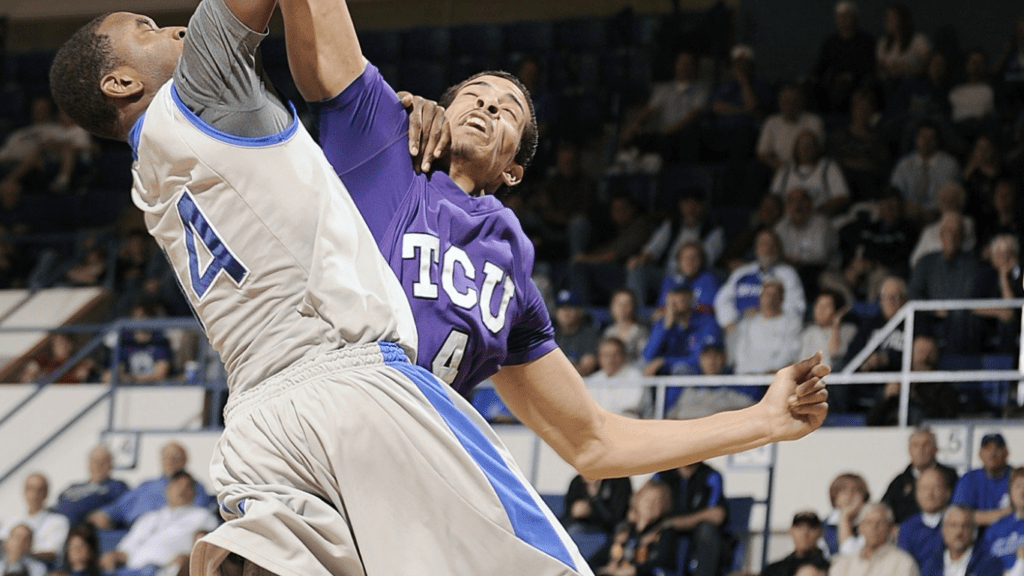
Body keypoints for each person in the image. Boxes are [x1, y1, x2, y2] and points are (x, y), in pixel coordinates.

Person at [52, 1, 830, 575]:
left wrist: (759, 420)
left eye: (510, 108)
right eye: (475, 93)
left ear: (517, 168)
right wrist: (387, 103)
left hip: (327, 440)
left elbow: (592, 440)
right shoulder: (376, 132)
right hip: (362, 394)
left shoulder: (515, 274)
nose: (489, 102)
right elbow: (318, 34)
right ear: (435, 104)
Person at [98, 471, 219, 575]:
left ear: (193, 493)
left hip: (165, 570)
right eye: (177, 485)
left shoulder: (203, 516)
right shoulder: (149, 517)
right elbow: (125, 551)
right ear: (167, 489)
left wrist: (188, 561)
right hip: (132, 571)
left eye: (187, 486)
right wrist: (114, 556)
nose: (182, 490)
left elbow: (205, 552)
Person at [88, 442, 208, 529]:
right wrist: (104, 514)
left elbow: (196, 512)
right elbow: (120, 506)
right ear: (161, 460)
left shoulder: (193, 486)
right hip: (132, 530)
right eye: (166, 456)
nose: (170, 460)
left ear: (185, 460)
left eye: (175, 456)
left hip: (166, 531)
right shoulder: (146, 485)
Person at [714, 229, 806, 335]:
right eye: (763, 244)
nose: (767, 248)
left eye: (772, 244)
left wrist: (763, 315)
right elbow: (722, 299)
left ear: (779, 249)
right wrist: (729, 321)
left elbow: (796, 307)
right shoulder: (742, 272)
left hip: (773, 331)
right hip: (739, 329)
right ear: (756, 248)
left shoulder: (788, 274)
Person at [651, 461, 728, 576]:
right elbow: (646, 508)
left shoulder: (710, 475)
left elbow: (717, 515)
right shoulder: (662, 475)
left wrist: (674, 522)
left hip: (698, 538)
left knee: (706, 531)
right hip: (668, 536)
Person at [589, 482, 677, 576]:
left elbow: (661, 561)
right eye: (646, 500)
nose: (650, 505)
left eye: (657, 501)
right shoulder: (625, 530)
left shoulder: (665, 531)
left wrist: (634, 570)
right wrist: (605, 569)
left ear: (665, 504)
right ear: (638, 500)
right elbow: (598, 558)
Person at [881, 428, 959, 525]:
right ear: (909, 450)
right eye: (915, 445)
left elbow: (959, 509)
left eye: (926, 445)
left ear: (936, 449)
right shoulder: (899, 482)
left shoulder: (950, 476)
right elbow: (883, 510)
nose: (920, 450)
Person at [811, 1, 876, 115]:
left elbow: (868, 67)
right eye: (839, 17)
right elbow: (821, 66)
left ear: (855, 17)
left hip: (856, 82)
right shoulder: (830, 42)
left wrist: (852, 76)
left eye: (846, 16)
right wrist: (813, 78)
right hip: (832, 82)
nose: (843, 20)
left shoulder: (866, 41)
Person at [889, 121, 962, 224]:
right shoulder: (904, 164)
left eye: (931, 138)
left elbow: (952, 197)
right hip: (907, 216)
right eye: (923, 137)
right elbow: (894, 192)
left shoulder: (950, 165)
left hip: (937, 216)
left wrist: (931, 212)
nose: (926, 141)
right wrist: (906, 207)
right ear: (916, 139)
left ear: (937, 141)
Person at [641, 286, 723, 376]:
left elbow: (701, 359)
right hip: (665, 372)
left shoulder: (707, 322)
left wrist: (665, 361)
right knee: (640, 367)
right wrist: (666, 327)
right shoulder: (663, 323)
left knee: (681, 369)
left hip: (696, 374)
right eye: (672, 302)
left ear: (691, 299)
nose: (676, 305)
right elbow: (647, 355)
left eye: (682, 299)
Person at [731, 278, 803, 375]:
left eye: (775, 295)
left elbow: (790, 353)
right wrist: (749, 372)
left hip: (775, 376)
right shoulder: (748, 322)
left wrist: (773, 371)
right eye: (767, 294)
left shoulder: (792, 322)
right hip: (748, 376)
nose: (770, 298)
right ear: (760, 298)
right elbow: (740, 353)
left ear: (781, 298)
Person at [770, 130, 851, 216]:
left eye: (809, 144)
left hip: (821, 218)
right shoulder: (785, 169)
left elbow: (842, 196)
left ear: (817, 148)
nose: (805, 148)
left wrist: (816, 210)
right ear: (796, 149)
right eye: (802, 145)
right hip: (788, 219)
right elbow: (773, 199)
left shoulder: (828, 166)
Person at [829, 502, 919, 576]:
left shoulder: (903, 563)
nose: (874, 527)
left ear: (890, 528)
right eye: (869, 522)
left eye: (880, 522)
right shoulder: (843, 564)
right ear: (860, 527)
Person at [0, 473, 70, 564]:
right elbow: (2, 544)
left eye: (39, 490)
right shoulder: (13, 520)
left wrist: (22, 553)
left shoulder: (59, 521)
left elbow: (52, 553)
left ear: (46, 494)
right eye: (30, 489)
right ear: (24, 492)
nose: (34, 494)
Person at [53, 445, 130, 526]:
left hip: (84, 530)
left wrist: (107, 514)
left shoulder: (117, 486)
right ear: (88, 464)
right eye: (95, 461)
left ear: (111, 464)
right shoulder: (73, 486)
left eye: (104, 461)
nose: (98, 465)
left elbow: (125, 506)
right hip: (57, 525)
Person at [921, 504, 1003, 576]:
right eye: (953, 525)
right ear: (943, 530)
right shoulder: (931, 565)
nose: (959, 531)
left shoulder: (989, 564)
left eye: (965, 526)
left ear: (973, 531)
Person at [953, 433, 1013, 530]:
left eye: (997, 448)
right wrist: (1006, 513)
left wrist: (977, 516)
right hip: (975, 538)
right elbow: (960, 516)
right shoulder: (969, 478)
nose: (992, 453)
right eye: (987, 449)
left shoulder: (1016, 478)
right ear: (980, 453)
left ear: (1006, 452)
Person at [896, 467, 953, 570]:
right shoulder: (907, 528)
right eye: (924, 488)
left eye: (936, 488)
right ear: (916, 494)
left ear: (947, 492)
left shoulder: (958, 523)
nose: (930, 494)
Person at [651, 241, 720, 317]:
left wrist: (684, 304)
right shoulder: (670, 280)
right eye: (686, 258)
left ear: (701, 261)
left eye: (694, 258)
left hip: (699, 324)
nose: (689, 262)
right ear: (679, 261)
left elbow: (711, 310)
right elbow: (661, 309)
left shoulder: (709, 279)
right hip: (674, 323)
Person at [978, 466, 1024, 571]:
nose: (1022, 491)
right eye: (1018, 486)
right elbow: (981, 560)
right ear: (1010, 492)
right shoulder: (996, 527)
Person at [799, 290, 856, 370]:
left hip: (835, 378)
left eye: (827, 306)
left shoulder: (849, 330)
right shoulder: (809, 331)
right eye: (818, 305)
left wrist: (835, 327)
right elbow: (803, 361)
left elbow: (835, 354)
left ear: (837, 310)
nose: (820, 310)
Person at [587, 337, 645, 416]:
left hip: (627, 423)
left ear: (623, 355)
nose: (610, 359)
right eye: (606, 355)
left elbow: (632, 408)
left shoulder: (635, 376)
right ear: (599, 358)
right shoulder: (593, 380)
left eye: (615, 354)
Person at [561, 475, 633, 537]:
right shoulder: (578, 481)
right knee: (560, 529)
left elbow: (615, 517)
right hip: (581, 523)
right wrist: (573, 513)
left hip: (608, 528)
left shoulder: (620, 481)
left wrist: (595, 499)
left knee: (573, 531)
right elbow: (568, 511)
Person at [761, 511, 829, 576]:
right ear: (791, 531)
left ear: (820, 532)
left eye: (811, 527)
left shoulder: (830, 569)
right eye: (799, 527)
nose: (804, 533)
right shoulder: (774, 570)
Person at [554, 288, 601, 376]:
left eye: (570, 308)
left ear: (579, 311)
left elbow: (586, 368)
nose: (565, 313)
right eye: (562, 308)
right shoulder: (552, 336)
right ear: (556, 312)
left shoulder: (589, 334)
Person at [823, 473, 870, 555]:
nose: (849, 495)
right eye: (843, 490)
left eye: (855, 490)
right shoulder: (823, 526)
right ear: (834, 497)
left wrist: (845, 517)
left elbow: (851, 555)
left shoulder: (872, 524)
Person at [602, 288, 649, 365]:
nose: (622, 308)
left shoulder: (641, 332)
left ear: (633, 307)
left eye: (627, 303)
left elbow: (643, 359)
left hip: (633, 373)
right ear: (612, 306)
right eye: (619, 303)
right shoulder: (608, 332)